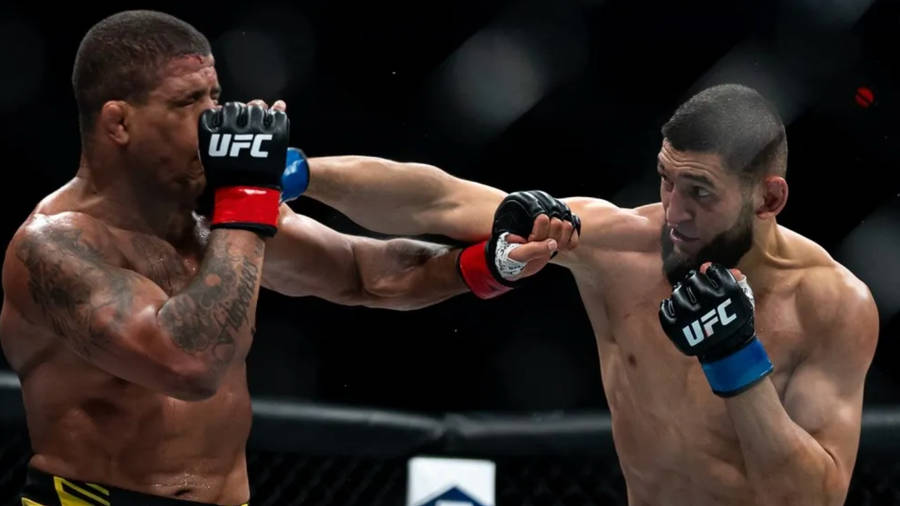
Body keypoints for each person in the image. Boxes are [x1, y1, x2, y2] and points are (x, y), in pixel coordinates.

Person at [0, 10, 579, 506]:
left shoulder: (215, 216)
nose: (213, 121)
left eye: (215, 97)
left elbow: (363, 273)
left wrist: (490, 264)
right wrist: (246, 198)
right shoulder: (52, 247)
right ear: (119, 122)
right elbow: (188, 364)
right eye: (187, 103)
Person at [294, 84, 880, 505]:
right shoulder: (618, 245)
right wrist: (297, 171)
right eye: (666, 180)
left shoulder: (831, 304)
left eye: (700, 191)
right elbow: (440, 201)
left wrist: (735, 359)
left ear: (768, 199)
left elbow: (813, 498)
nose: (674, 211)